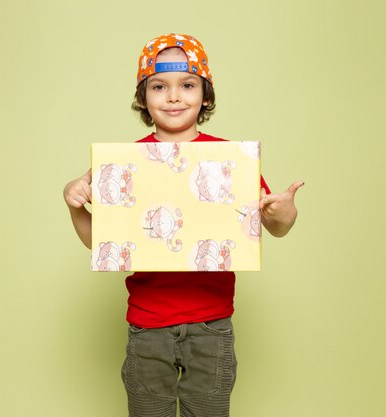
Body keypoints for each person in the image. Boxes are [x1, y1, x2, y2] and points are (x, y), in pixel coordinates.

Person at [63, 33, 303, 417]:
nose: (174, 97)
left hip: (211, 324)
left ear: (205, 95)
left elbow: (276, 226)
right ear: (144, 97)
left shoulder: (230, 161)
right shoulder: (124, 163)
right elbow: (99, 241)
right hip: (147, 326)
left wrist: (284, 210)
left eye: (187, 85)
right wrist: (75, 203)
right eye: (159, 87)